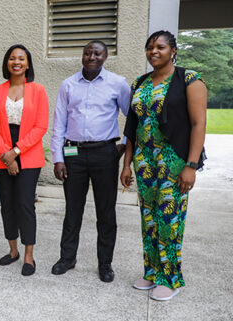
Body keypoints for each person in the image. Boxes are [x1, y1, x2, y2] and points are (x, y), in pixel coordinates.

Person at [121, 30, 207, 301]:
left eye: (160, 47)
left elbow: (198, 124)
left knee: (169, 219)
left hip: (173, 160)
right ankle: (151, 272)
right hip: (144, 161)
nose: (153, 51)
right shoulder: (140, 83)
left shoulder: (188, 79)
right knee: (149, 219)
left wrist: (191, 165)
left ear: (173, 50)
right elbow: (132, 127)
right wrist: (126, 165)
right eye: (149, 47)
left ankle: (170, 278)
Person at [49, 40, 131, 283]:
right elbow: (59, 123)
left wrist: (124, 144)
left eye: (97, 53)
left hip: (105, 152)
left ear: (105, 56)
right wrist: (58, 158)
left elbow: (133, 118)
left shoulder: (118, 83)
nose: (92, 57)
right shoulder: (68, 85)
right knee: (73, 210)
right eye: (87, 53)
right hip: (73, 153)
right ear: (82, 56)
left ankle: (105, 263)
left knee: (106, 212)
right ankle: (67, 258)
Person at [0, 44, 49, 276]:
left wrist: (16, 152)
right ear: (7, 63)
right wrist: (7, 155)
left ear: (28, 63)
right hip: (2, 152)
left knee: (24, 205)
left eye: (21, 58)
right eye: (12, 58)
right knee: (8, 205)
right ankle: (13, 251)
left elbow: (41, 126)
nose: (16, 62)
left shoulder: (39, 90)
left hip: (28, 154)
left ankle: (29, 256)